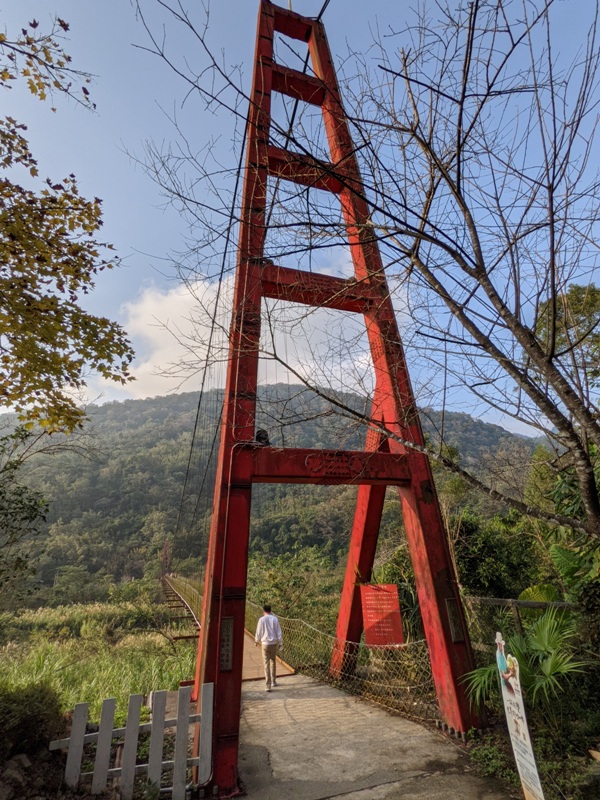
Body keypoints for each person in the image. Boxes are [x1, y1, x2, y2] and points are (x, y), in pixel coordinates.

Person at [255, 604, 283, 692]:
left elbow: (258, 631)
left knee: (266, 663)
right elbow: (278, 631)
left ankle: (268, 685)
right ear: (270, 611)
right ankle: (274, 681)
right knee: (273, 662)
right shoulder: (275, 619)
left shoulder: (261, 620)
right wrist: (280, 642)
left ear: (263, 611)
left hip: (265, 644)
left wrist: (256, 640)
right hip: (273, 643)